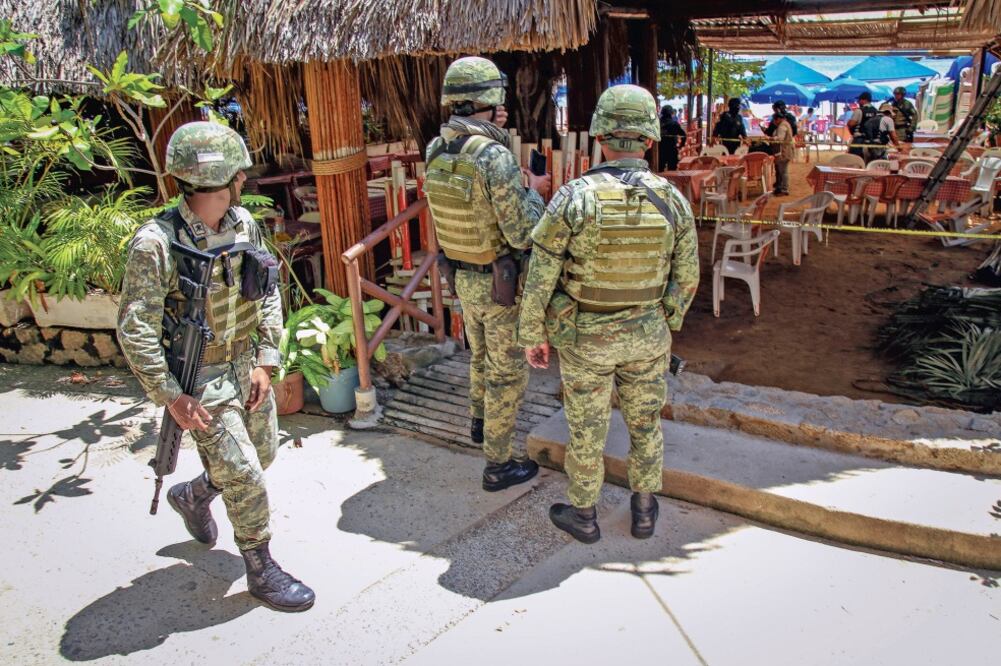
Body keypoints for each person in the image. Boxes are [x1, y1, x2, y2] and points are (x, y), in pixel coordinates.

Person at [117, 122, 315, 612]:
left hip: (245, 363)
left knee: (262, 454)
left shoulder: (243, 225)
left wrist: (268, 360)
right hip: (200, 379)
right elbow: (134, 325)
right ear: (228, 178)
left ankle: (194, 494)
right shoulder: (156, 243)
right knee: (246, 473)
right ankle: (261, 566)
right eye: (239, 174)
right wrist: (170, 394)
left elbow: (265, 291)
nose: (243, 182)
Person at [517, 84, 699, 543]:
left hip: (585, 339)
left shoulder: (573, 197)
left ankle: (584, 516)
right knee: (645, 423)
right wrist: (663, 321)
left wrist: (532, 332)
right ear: (651, 140)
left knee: (586, 428)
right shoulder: (673, 199)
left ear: (599, 137)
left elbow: (540, 274)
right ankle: (642, 509)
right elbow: (688, 277)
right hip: (647, 337)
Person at [423, 56, 550, 491]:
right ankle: (497, 464)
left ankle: (479, 422)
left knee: (478, 356)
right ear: (489, 100)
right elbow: (523, 232)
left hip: (462, 275)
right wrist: (535, 192)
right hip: (500, 285)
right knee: (506, 372)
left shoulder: (436, 150)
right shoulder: (492, 156)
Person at [847, 91, 879, 160]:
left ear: (864, 100)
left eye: (859, 100)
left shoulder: (859, 111)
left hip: (859, 139)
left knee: (854, 160)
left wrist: (848, 122)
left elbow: (851, 124)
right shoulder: (876, 111)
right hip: (872, 140)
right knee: (872, 161)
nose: (858, 102)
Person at [771, 113, 795, 196]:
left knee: (783, 171)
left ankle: (785, 189)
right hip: (786, 150)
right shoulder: (786, 124)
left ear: (778, 119)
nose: (774, 122)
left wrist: (771, 138)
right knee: (783, 171)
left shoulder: (782, 126)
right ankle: (782, 188)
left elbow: (780, 138)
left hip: (784, 151)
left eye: (774, 120)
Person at [658, 105, 686, 171]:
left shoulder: (657, 124)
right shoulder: (674, 124)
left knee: (659, 170)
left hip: (660, 150)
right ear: (671, 113)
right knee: (672, 169)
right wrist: (681, 145)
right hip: (672, 149)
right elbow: (684, 135)